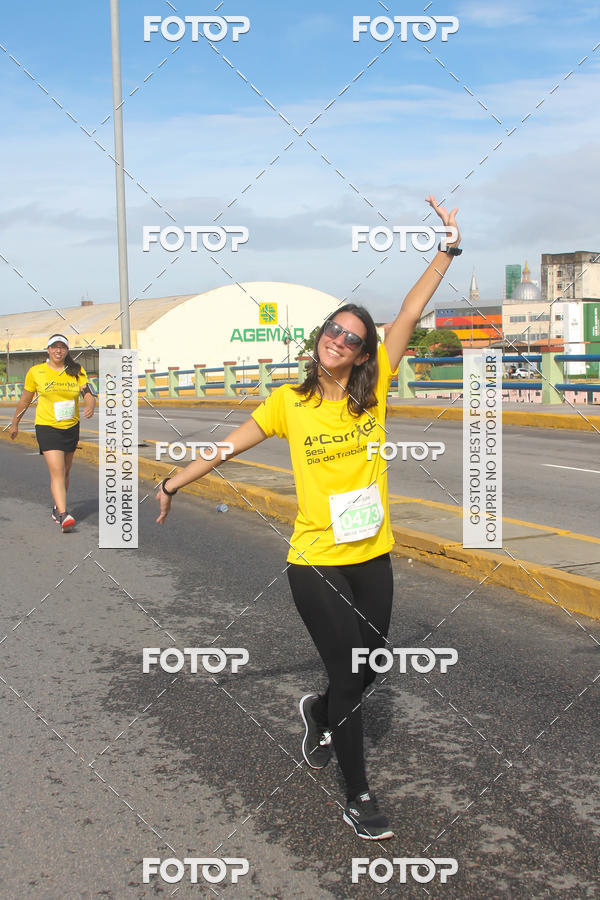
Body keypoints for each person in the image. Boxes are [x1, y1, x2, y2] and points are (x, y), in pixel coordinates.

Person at [156, 196, 461, 839]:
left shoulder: (373, 394)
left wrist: (446, 249)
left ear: (363, 354)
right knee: (350, 672)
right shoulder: (287, 404)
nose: (339, 340)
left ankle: (318, 712)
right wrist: (173, 481)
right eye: (333, 330)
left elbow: (410, 311)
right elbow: (227, 447)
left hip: (372, 554)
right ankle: (358, 795)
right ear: (319, 337)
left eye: (352, 338)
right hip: (315, 560)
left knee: (369, 670)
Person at [9, 334, 96, 531]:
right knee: (57, 470)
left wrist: (90, 405)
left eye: (62, 347)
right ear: (48, 350)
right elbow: (25, 400)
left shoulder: (76, 370)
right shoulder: (36, 372)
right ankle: (64, 515)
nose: (58, 350)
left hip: (71, 427)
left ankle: (58, 507)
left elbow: (88, 393)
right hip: (47, 426)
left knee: (66, 471)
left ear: (67, 350)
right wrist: (15, 423)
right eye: (54, 347)